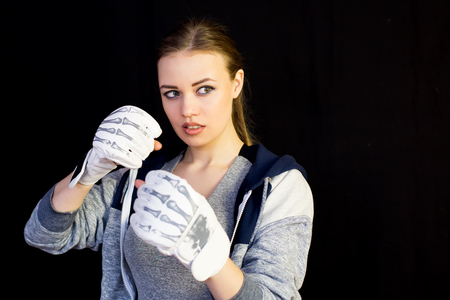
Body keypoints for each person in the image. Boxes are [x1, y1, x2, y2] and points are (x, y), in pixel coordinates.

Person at [24, 18, 314, 300]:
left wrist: (211, 259)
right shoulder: (140, 177)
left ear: (236, 83)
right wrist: (86, 173)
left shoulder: (277, 185)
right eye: (172, 93)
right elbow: (43, 236)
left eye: (205, 89)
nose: (187, 109)